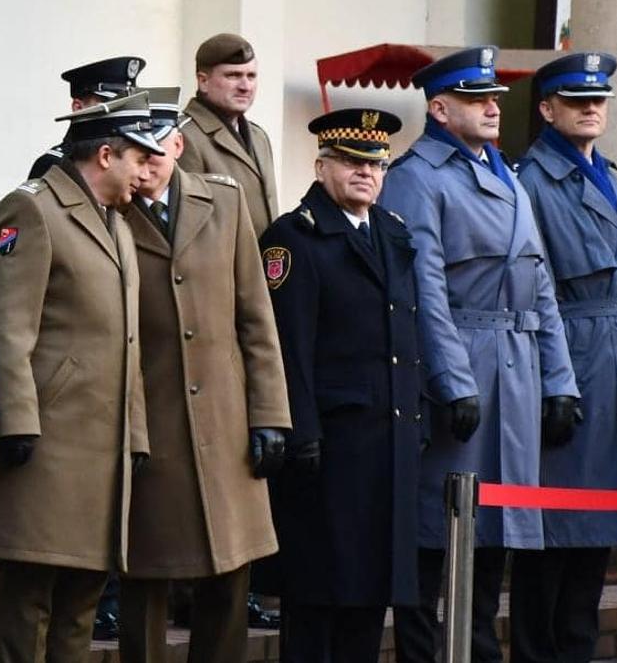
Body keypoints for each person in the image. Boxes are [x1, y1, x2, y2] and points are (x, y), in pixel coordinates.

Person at [375, 46, 578, 663]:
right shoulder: (418, 177)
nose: (492, 108)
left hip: (513, 372)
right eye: (475, 98)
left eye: (494, 98)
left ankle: (480, 652)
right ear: (439, 108)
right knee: (436, 536)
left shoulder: (503, 170)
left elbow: (539, 283)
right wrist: (450, 380)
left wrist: (559, 380)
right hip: (465, 366)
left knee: (494, 539)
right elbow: (424, 289)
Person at [0, 92, 161, 663]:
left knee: (80, 606)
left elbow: (126, 343)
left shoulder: (120, 223)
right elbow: (6, 326)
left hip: (101, 452)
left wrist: (135, 436)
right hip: (47, 444)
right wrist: (17, 424)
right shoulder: (31, 209)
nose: (146, 171)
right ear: (106, 155)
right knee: (31, 603)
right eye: (138, 158)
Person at [116, 87, 290, 663]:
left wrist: (269, 415)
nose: (144, 166)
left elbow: (255, 316)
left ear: (179, 145)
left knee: (230, 569)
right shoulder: (110, 208)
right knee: (146, 570)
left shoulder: (223, 201)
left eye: (156, 152)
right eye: (135, 152)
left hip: (225, 416)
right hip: (150, 417)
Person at [508, 53, 617, 663]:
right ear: (547, 110)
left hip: (616, 364)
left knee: (596, 540)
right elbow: (531, 290)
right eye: (576, 100)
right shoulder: (531, 181)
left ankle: (576, 652)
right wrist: (552, 381)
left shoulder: (610, 177)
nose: (592, 108)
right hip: (570, 363)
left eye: (599, 100)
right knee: (555, 537)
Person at [262, 108, 422, 663]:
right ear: (321, 165)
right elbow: (289, 346)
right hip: (329, 445)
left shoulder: (392, 233)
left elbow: (406, 335)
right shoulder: (295, 237)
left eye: (375, 164)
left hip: (388, 442)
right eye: (352, 162)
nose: (366, 173)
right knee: (319, 595)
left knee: (369, 594)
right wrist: (299, 428)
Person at [176, 34, 278, 232]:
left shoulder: (259, 137)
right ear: (203, 81)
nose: (245, 86)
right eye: (233, 75)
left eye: (251, 76)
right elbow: (189, 227)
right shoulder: (184, 136)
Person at [27, 56, 145, 180]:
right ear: (78, 108)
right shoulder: (54, 164)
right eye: (107, 106)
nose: (118, 113)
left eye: (122, 106)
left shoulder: (127, 161)